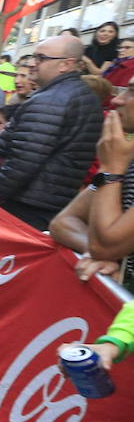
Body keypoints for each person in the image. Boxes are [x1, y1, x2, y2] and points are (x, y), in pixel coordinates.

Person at [0, 34, 103, 231]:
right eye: (34, 56)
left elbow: (23, 163)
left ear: (66, 64)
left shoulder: (51, 100)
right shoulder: (78, 96)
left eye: (41, 58)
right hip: (41, 202)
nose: (32, 63)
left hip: (23, 205)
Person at [50, 83, 134, 284]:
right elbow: (62, 221)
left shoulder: (116, 163)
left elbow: (105, 246)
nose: (117, 100)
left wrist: (111, 168)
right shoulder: (127, 159)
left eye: (133, 92)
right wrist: (94, 252)